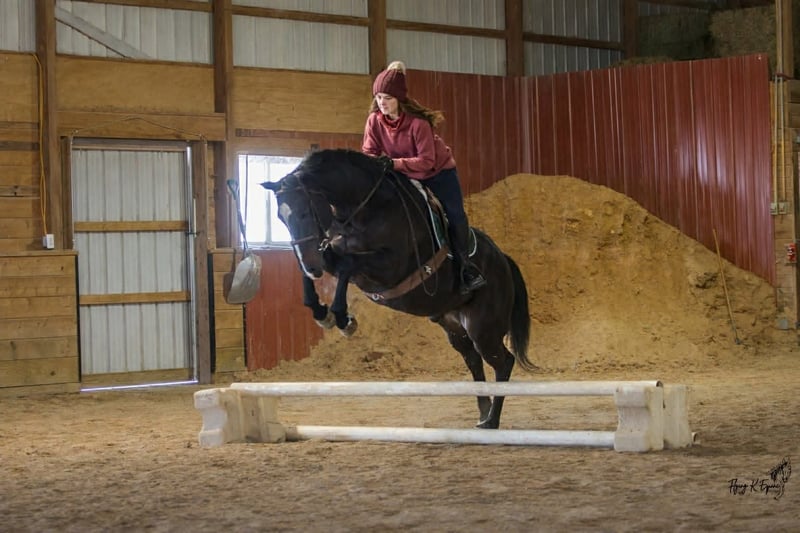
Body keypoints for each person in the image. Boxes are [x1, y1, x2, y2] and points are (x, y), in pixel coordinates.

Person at [362, 60, 486, 295]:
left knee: (455, 215)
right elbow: (369, 152)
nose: (382, 103)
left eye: (387, 98)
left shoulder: (418, 124)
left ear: (399, 99)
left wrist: (393, 163)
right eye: (378, 97)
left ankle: (466, 268)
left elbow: (426, 161)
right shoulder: (374, 121)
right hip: (401, 172)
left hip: (438, 173)